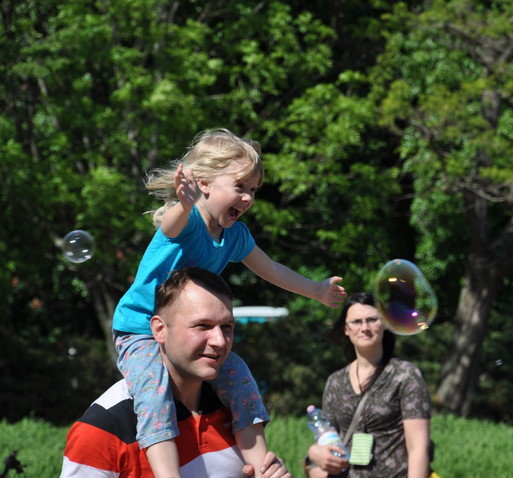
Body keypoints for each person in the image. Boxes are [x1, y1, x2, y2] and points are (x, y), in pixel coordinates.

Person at [112, 128, 346, 478]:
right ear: (204, 183)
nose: (248, 198)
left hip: (191, 336)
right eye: (240, 187)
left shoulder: (235, 236)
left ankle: (260, 465)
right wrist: (185, 202)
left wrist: (316, 290)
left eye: (252, 190)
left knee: (238, 375)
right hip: (141, 329)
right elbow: (170, 227)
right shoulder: (187, 220)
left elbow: (272, 270)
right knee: (154, 391)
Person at [61, 268, 290, 478]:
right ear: (159, 329)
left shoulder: (234, 404)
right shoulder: (103, 428)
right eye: (202, 326)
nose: (220, 341)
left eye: (227, 327)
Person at [306, 292, 431, 478]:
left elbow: (418, 448)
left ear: (385, 324)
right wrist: (315, 453)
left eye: (372, 319)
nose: (365, 327)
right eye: (356, 322)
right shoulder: (335, 381)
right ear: (346, 329)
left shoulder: (405, 375)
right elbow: (330, 440)